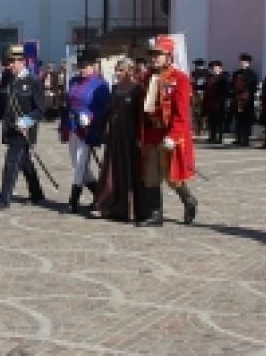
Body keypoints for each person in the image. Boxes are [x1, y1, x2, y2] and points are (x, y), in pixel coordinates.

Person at [138, 35, 198, 227]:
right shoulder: (148, 78)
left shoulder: (180, 79)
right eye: (153, 54)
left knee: (172, 177)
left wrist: (173, 136)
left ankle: (189, 200)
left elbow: (182, 113)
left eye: (159, 54)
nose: (154, 58)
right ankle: (156, 215)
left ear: (169, 56)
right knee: (151, 175)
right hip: (151, 133)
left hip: (169, 133)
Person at [0, 44, 45, 211]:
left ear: (22, 62)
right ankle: (37, 193)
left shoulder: (33, 81)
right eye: (8, 61)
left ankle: (4, 198)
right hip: (10, 128)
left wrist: (27, 120)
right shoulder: (7, 79)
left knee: (11, 162)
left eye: (13, 61)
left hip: (24, 131)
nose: (9, 65)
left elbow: (40, 109)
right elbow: (0, 105)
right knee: (24, 161)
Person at [59, 50, 110, 213]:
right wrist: (64, 124)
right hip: (73, 125)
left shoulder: (101, 85)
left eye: (85, 66)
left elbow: (104, 110)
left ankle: (73, 201)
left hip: (88, 129)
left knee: (81, 164)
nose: (82, 69)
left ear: (93, 66)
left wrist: (90, 117)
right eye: (80, 66)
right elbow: (67, 104)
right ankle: (101, 196)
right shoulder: (74, 81)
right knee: (77, 164)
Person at [92, 58, 143, 221]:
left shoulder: (137, 89)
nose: (118, 73)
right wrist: (100, 129)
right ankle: (109, 205)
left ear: (129, 70)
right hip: (115, 133)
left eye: (121, 70)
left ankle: (129, 209)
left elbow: (140, 116)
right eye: (117, 70)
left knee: (127, 170)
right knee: (112, 170)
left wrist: (140, 137)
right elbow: (109, 110)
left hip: (129, 134)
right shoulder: (114, 88)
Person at [231, 53, 258, 146]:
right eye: (241, 61)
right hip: (237, 100)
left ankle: (245, 139)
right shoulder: (236, 73)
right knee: (238, 119)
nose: (242, 63)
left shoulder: (252, 74)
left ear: (248, 63)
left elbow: (253, 87)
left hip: (247, 101)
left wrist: (246, 94)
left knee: (246, 121)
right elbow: (233, 85)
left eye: (244, 62)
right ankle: (238, 138)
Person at [203, 60, 229, 144]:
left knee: (220, 121)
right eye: (213, 68)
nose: (214, 69)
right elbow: (205, 88)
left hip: (220, 102)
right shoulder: (209, 78)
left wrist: (220, 100)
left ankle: (220, 138)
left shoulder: (223, 78)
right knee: (212, 120)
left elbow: (225, 91)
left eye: (216, 68)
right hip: (211, 102)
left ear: (220, 69)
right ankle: (212, 136)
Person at [189, 59, 209, 135]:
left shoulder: (206, 73)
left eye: (197, 65)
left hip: (203, 94)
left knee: (203, 112)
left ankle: (203, 128)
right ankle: (197, 129)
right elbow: (191, 83)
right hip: (196, 94)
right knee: (196, 112)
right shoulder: (194, 73)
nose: (196, 67)